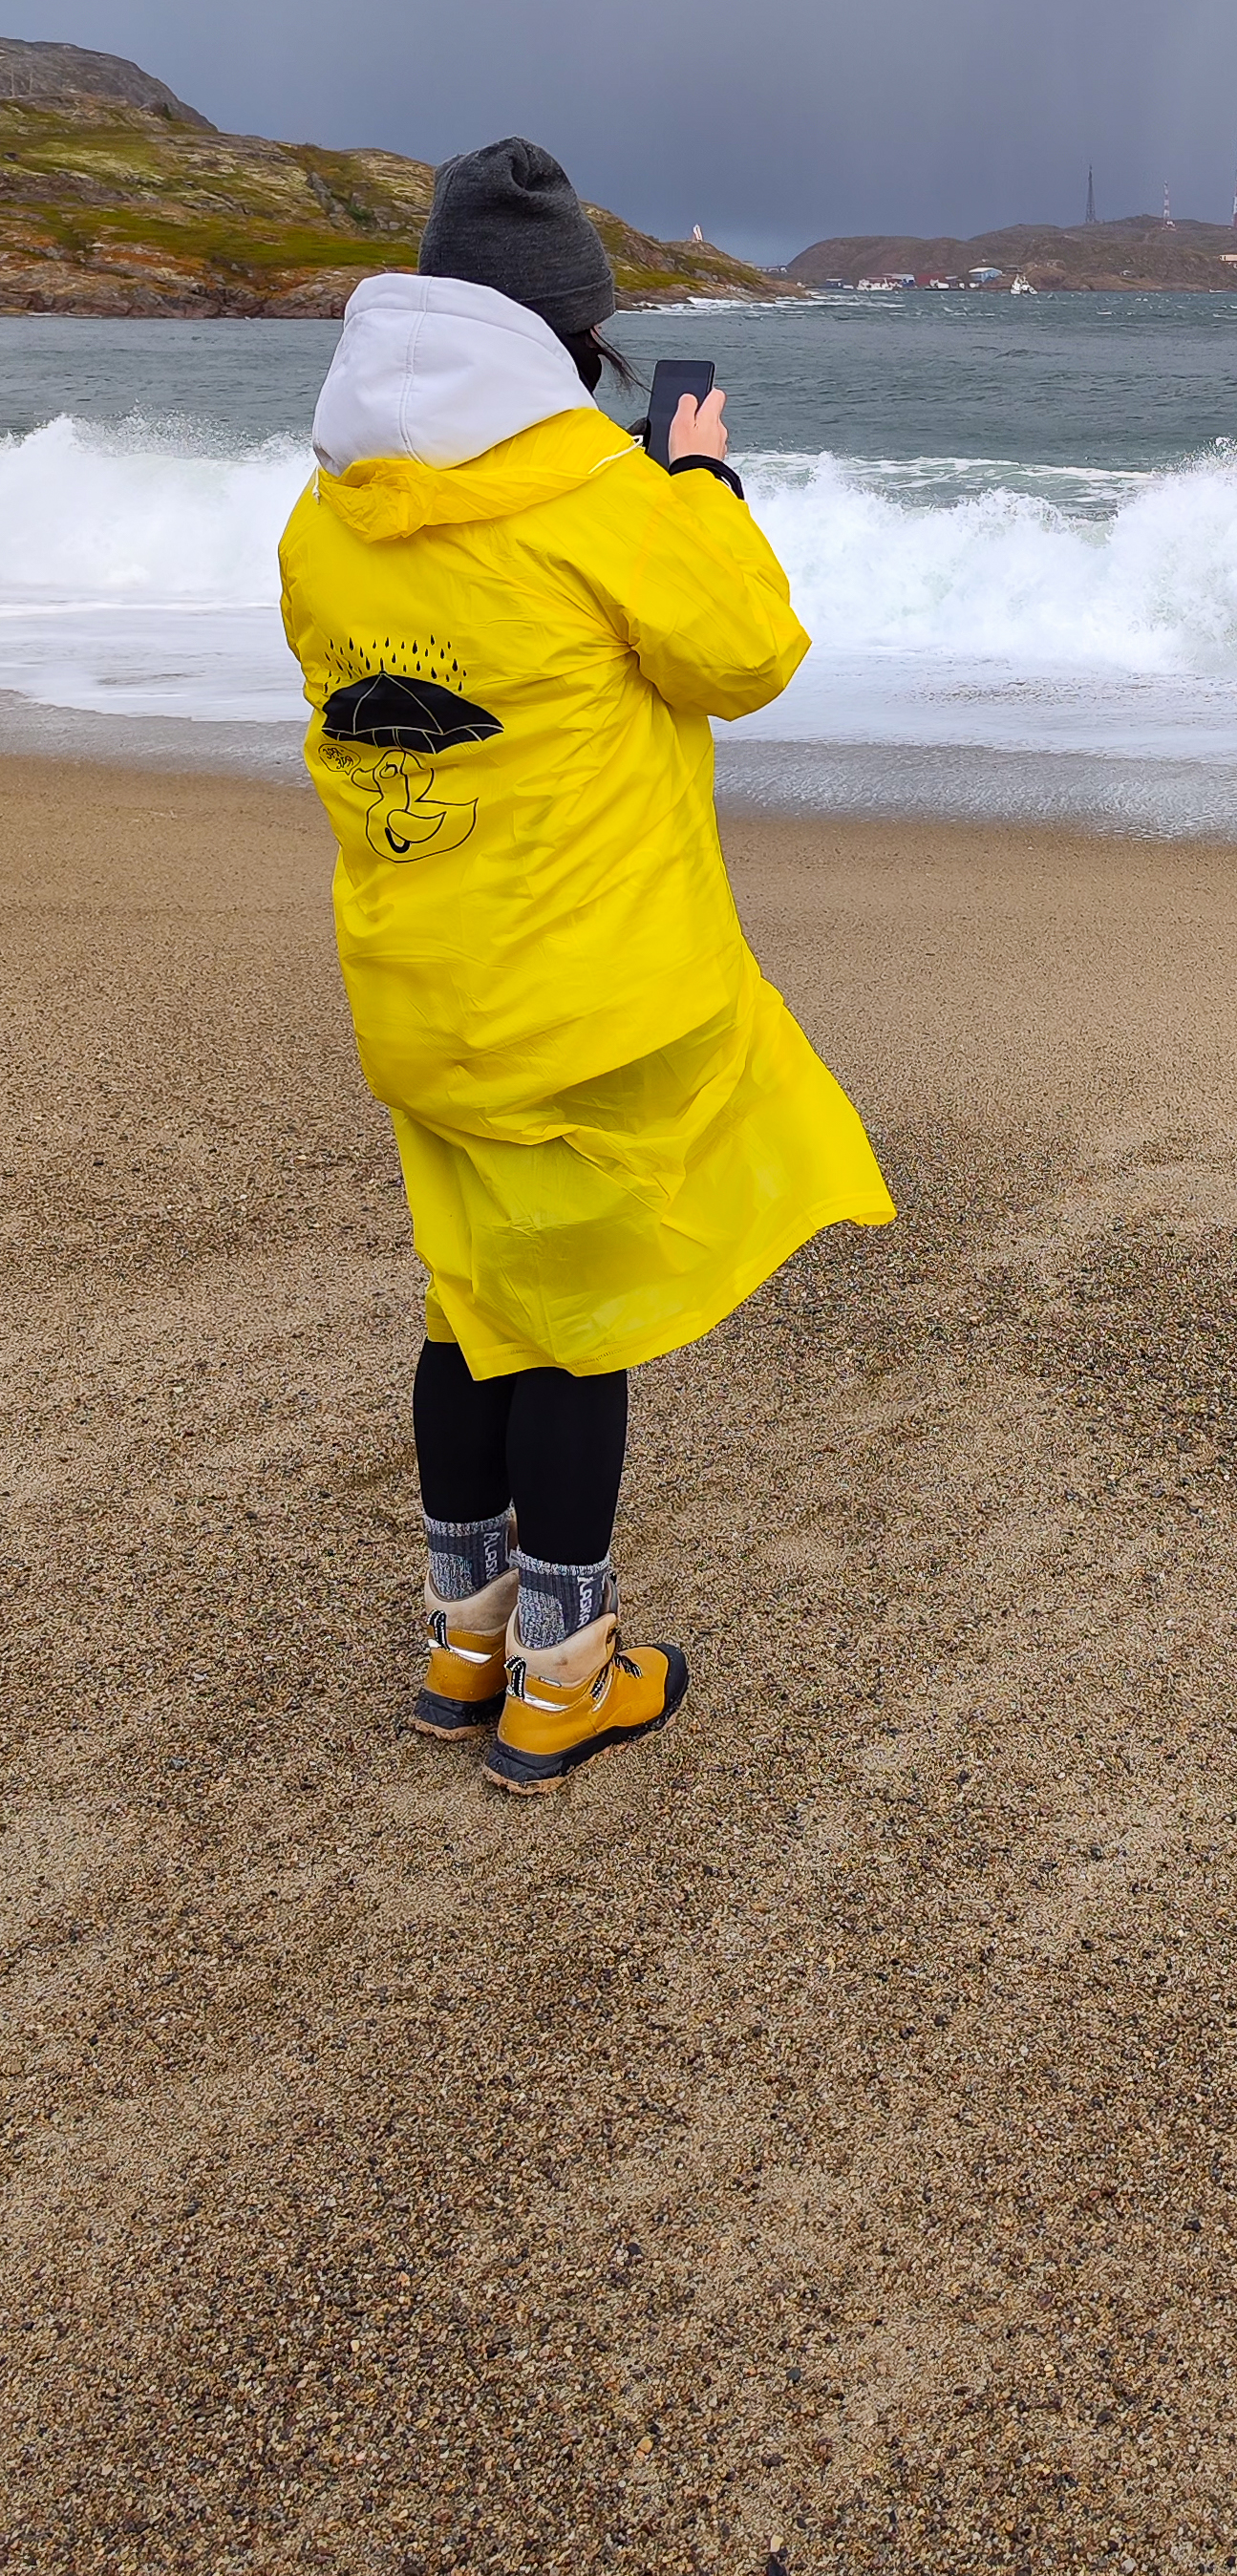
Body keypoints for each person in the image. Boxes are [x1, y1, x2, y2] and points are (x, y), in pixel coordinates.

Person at [278, 135, 893, 1794]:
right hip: (583, 1001)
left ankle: (459, 1639)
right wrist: (700, 480)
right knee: (570, 1328)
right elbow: (745, 652)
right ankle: (563, 1676)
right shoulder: (598, 494)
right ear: (570, 329)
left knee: (468, 1305)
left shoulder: (328, 510)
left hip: (423, 990)